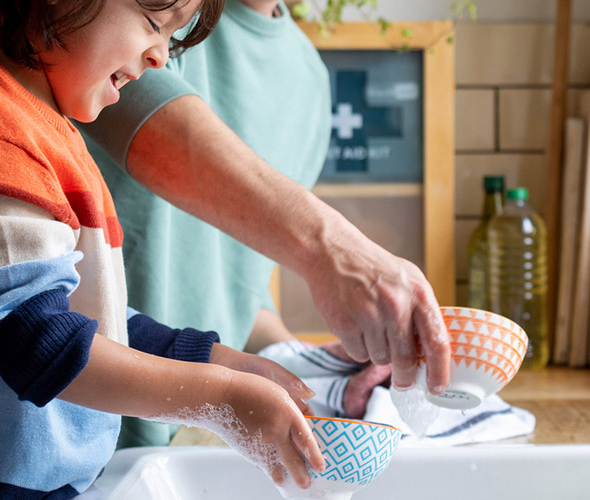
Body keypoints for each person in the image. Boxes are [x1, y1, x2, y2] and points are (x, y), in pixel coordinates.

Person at [0, 0, 343, 496]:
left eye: (170, 36)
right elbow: (41, 343)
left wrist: (218, 362)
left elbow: (91, 319)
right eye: (151, 23)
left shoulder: (42, 131)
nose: (161, 56)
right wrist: (221, 398)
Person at [76, 0, 394, 448]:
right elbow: (151, 135)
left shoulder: (310, 81)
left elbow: (237, 289)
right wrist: (330, 246)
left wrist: (305, 365)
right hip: (52, 427)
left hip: (166, 445)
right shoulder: (149, 12)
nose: (160, 52)